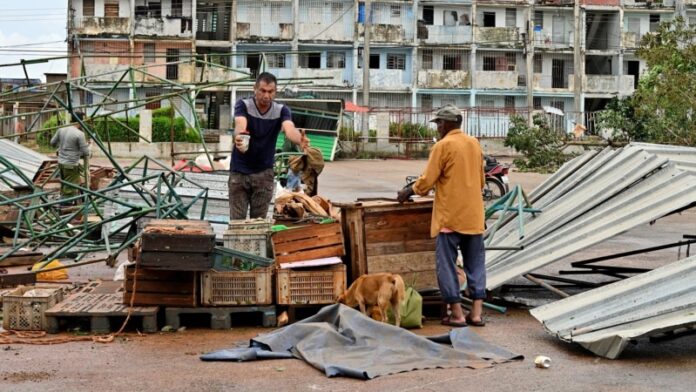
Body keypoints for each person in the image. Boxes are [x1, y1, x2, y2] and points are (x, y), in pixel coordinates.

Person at [397, 104, 486, 327]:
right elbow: (482, 181)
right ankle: (476, 314)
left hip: (450, 218)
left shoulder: (443, 146)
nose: (437, 127)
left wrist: (408, 191)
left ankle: (457, 315)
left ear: (448, 123)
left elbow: (426, 182)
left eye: (439, 123)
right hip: (474, 217)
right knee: (475, 265)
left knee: (446, 265)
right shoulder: (474, 143)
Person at [230, 72, 307, 219]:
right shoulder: (243, 104)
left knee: (259, 224)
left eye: (271, 92)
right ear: (255, 89)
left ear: (275, 92)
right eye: (263, 91)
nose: (267, 96)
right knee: (236, 223)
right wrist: (239, 137)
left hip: (264, 174)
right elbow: (240, 124)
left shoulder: (281, 110)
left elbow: (289, 128)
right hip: (239, 173)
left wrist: (299, 139)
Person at [50, 111, 90, 202]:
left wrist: (61, 148)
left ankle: (64, 207)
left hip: (61, 164)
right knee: (69, 191)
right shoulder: (79, 134)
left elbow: (52, 143)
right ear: (81, 121)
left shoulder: (61, 130)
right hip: (71, 165)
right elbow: (86, 152)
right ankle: (65, 211)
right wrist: (87, 147)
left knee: (64, 187)